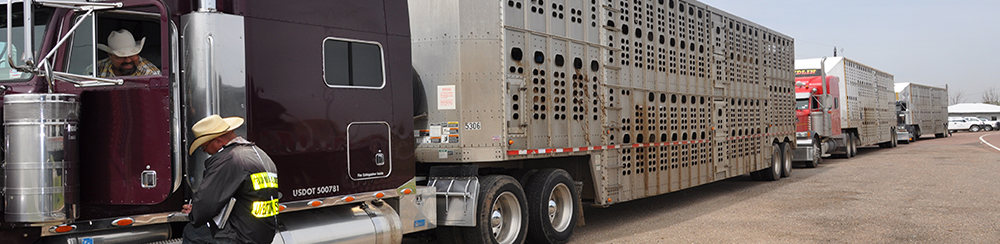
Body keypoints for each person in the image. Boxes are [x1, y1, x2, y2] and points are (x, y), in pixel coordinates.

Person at [182, 115, 279, 243]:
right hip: (263, 233)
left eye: (204, 147)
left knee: (192, 232)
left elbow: (206, 205)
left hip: (240, 236)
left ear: (218, 141)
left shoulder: (228, 158)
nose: (206, 151)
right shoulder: (260, 154)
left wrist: (194, 212)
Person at [95, 29, 161, 77]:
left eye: (132, 55)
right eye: (121, 57)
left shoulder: (152, 74)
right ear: (110, 55)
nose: (128, 60)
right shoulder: (97, 69)